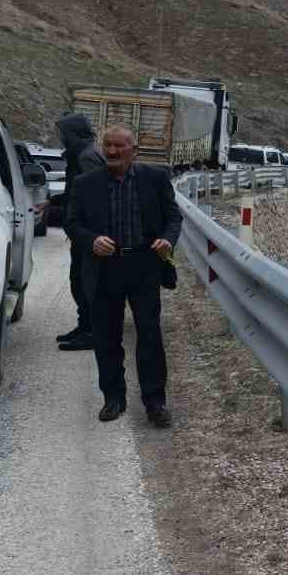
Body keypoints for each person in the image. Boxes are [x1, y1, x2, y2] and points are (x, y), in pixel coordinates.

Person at [65, 125, 182, 427]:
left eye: (119, 146)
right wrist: (91, 240)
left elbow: (173, 217)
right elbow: (72, 223)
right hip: (104, 269)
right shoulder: (85, 183)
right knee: (107, 338)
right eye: (108, 145)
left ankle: (155, 403)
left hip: (144, 265)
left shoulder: (155, 178)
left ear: (134, 150)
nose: (112, 151)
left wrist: (168, 240)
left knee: (149, 335)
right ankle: (113, 398)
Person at [54, 113, 107, 352]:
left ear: (73, 133)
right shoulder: (80, 155)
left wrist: (89, 233)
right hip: (82, 232)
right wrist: (55, 202)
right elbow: (75, 191)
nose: (61, 138)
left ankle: (94, 332)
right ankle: (84, 326)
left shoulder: (87, 157)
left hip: (89, 233)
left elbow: (94, 195)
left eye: (63, 133)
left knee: (87, 284)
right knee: (78, 281)